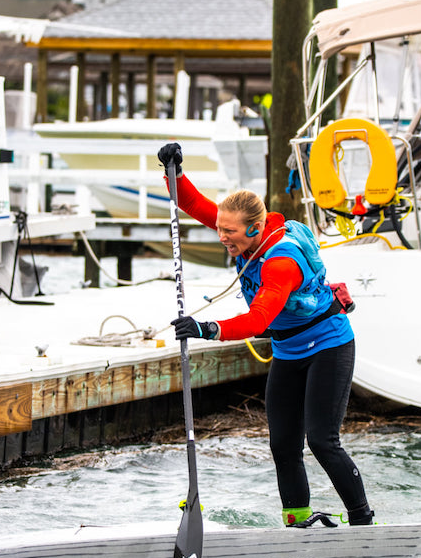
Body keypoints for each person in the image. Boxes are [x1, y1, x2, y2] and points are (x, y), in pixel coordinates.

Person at [158, 142, 374, 528]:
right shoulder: (241, 231)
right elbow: (192, 204)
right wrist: (173, 170)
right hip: (289, 352)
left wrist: (208, 328)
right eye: (221, 229)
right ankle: (297, 521)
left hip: (328, 346)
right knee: (283, 446)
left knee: (322, 441)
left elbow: (258, 321)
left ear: (255, 229)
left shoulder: (281, 263)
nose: (223, 238)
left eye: (230, 233)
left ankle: (362, 521)